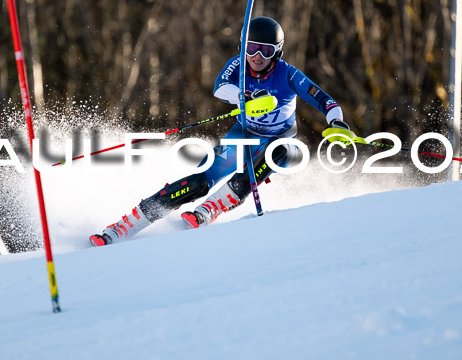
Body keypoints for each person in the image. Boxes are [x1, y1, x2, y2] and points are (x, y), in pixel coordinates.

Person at [89, 16, 350, 246]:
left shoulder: (288, 74)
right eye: (251, 48)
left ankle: (215, 205)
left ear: (277, 53)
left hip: (281, 140)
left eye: (266, 51)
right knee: (200, 181)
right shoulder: (238, 65)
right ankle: (127, 224)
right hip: (244, 134)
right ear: (242, 46)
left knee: (277, 152)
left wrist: (336, 121)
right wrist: (243, 96)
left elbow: (324, 100)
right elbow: (220, 87)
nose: (257, 56)